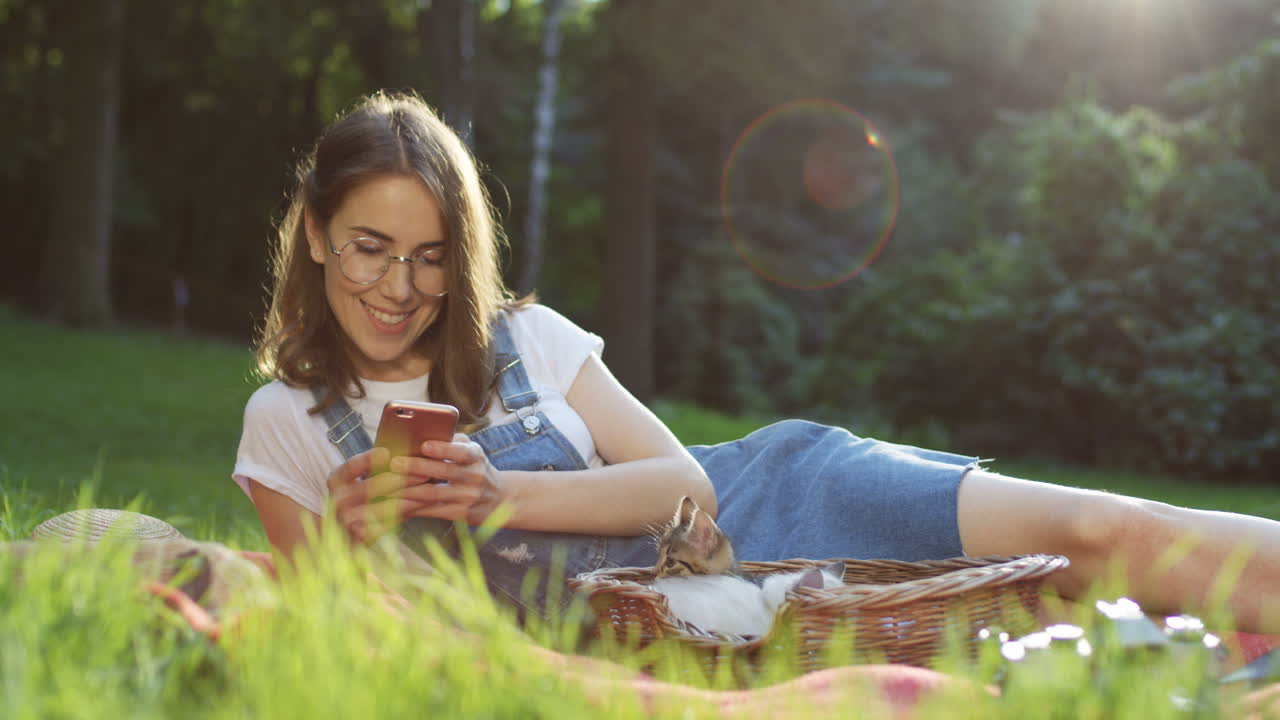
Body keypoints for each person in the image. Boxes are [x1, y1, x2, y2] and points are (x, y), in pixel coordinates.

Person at [233, 91, 1280, 633]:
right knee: (1040, 602)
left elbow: (684, 480)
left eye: (427, 259)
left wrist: (489, 493)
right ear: (316, 233)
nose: (399, 287)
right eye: (370, 249)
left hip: (773, 499)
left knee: (1096, 532)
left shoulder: (524, 338)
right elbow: (346, 622)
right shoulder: (288, 425)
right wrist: (367, 543)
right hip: (700, 616)